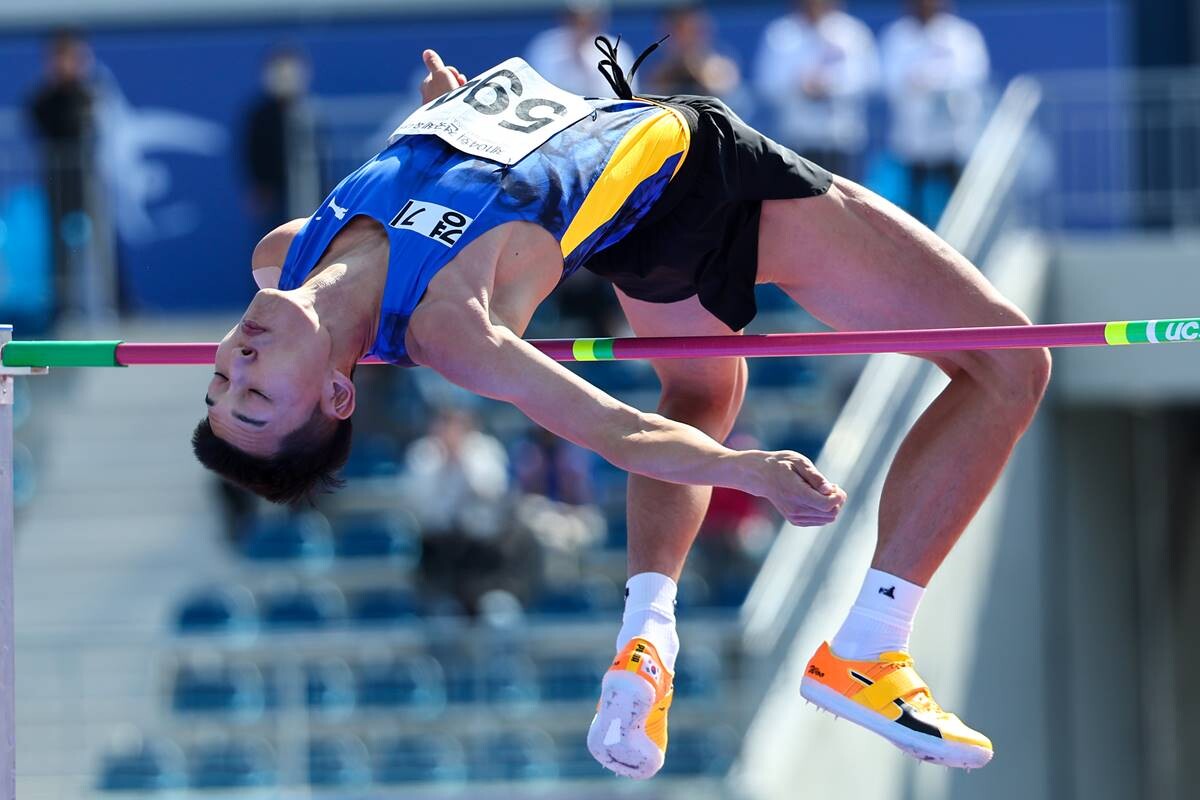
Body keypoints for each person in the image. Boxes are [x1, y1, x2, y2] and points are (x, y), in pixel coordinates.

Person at [193, 44, 1049, 778]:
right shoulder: (449, 326)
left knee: (706, 388)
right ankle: (873, 639)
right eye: (258, 397)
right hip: (707, 185)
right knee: (1011, 365)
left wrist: (438, 124)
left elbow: (455, 186)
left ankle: (647, 638)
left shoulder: (289, 250)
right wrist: (744, 470)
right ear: (340, 394)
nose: (236, 366)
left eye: (222, 384)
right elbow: (612, 428)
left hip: (638, 216)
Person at [880, 0, 989, 223]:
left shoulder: (962, 34)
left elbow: (973, 74)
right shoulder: (896, 36)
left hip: (953, 138)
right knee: (913, 210)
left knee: (960, 205)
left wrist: (934, 81)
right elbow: (889, 80)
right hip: (912, 140)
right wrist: (916, 81)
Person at [753, 0, 878, 181]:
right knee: (799, 202)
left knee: (845, 203)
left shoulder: (852, 32)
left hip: (842, 140)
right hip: (797, 141)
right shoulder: (780, 34)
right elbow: (767, 83)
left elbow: (869, 79)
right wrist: (800, 86)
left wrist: (831, 85)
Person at [26, 28, 98, 320]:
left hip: (87, 186)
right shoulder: (43, 99)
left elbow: (82, 127)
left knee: (95, 245)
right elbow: (45, 125)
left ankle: (103, 304)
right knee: (59, 250)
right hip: (57, 186)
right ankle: (62, 306)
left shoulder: (87, 95)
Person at [242, 46, 320, 237]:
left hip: (309, 193)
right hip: (276, 195)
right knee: (274, 241)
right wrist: (260, 187)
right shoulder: (260, 115)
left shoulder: (309, 113)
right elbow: (253, 151)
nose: (286, 76)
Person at [524, 0, 633, 97]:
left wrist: (585, 63)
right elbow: (537, 91)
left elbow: (618, 96)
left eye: (590, 17)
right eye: (575, 17)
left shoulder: (619, 49)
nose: (581, 24)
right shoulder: (544, 46)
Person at [644, 3, 742, 100]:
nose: (682, 38)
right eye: (675, 31)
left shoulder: (721, 65)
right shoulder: (659, 71)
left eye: (687, 30)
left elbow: (723, 95)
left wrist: (694, 68)